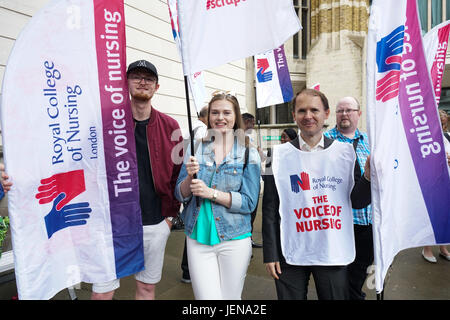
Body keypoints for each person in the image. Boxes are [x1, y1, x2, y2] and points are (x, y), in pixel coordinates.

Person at [262, 88, 371, 300]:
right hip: (289, 251)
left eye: (315, 110)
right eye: (302, 110)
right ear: (294, 115)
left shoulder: (346, 153)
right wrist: (271, 253)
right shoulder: (274, 156)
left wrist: (367, 177)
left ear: (326, 113)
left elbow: (357, 202)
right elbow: (269, 208)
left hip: (331, 250)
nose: (308, 116)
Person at [90, 60, 182, 299]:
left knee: (146, 288)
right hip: (113, 225)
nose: (143, 82)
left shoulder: (171, 126)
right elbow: (83, 166)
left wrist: (170, 218)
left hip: (154, 222)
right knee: (103, 291)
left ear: (157, 86)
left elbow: (176, 174)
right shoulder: (105, 122)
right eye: (136, 77)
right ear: (126, 83)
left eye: (149, 78)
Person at [175, 91, 261, 299]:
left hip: (235, 238)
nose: (220, 117)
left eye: (226, 112)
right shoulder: (194, 148)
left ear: (235, 116)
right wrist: (188, 178)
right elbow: (180, 194)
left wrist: (211, 193)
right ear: (209, 116)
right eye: (215, 112)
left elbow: (249, 202)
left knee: (231, 299)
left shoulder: (249, 152)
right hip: (198, 237)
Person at [323, 96, 373, 300]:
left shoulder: (371, 141)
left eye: (349, 110)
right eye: (340, 110)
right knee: (336, 277)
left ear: (358, 114)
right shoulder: (325, 141)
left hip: (367, 222)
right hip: (338, 223)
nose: (344, 114)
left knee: (358, 274)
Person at [180, 105, 209, 284]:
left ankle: (187, 270)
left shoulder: (192, 129)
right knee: (196, 226)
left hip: (189, 179)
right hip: (197, 180)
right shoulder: (203, 130)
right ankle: (189, 271)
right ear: (205, 117)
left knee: (192, 225)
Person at [421, 109, 450, 262]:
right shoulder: (426, 139)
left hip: (447, 183)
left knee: (446, 217)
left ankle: (443, 247)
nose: (442, 124)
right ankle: (427, 248)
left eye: (444, 122)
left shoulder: (448, 138)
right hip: (432, 183)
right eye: (439, 121)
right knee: (431, 216)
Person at [241, 112, 264, 248]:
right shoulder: (239, 136)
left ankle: (248, 239)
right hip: (245, 181)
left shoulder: (250, 137)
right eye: (252, 122)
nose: (254, 125)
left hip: (254, 179)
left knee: (253, 212)